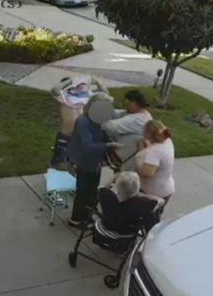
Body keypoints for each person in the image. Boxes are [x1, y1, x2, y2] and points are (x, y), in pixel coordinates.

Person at [67, 94, 120, 228]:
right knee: (84, 191)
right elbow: (87, 145)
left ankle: (87, 216)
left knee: (91, 191)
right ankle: (77, 219)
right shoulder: (83, 122)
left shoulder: (96, 119)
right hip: (85, 161)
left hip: (94, 161)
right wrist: (107, 146)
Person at [50, 76, 111, 170]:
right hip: (68, 136)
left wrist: (97, 82)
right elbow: (55, 89)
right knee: (60, 166)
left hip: (83, 135)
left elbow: (106, 96)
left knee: (83, 165)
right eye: (78, 84)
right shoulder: (65, 96)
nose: (81, 86)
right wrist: (70, 81)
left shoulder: (88, 95)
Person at [98, 172, 164, 235]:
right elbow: (161, 201)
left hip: (107, 226)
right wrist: (139, 194)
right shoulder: (141, 204)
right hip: (126, 232)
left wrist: (114, 177)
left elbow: (102, 187)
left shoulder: (107, 196)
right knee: (152, 214)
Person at [102, 90, 153, 172]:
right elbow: (114, 113)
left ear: (133, 103)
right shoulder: (133, 113)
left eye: (126, 102)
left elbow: (110, 126)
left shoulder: (139, 120)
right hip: (123, 159)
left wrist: (94, 118)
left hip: (129, 163)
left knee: (123, 182)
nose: (124, 104)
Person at [135, 120, 175, 220]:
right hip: (166, 188)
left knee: (148, 219)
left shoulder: (154, 152)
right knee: (156, 216)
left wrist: (136, 167)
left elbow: (147, 173)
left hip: (154, 193)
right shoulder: (168, 142)